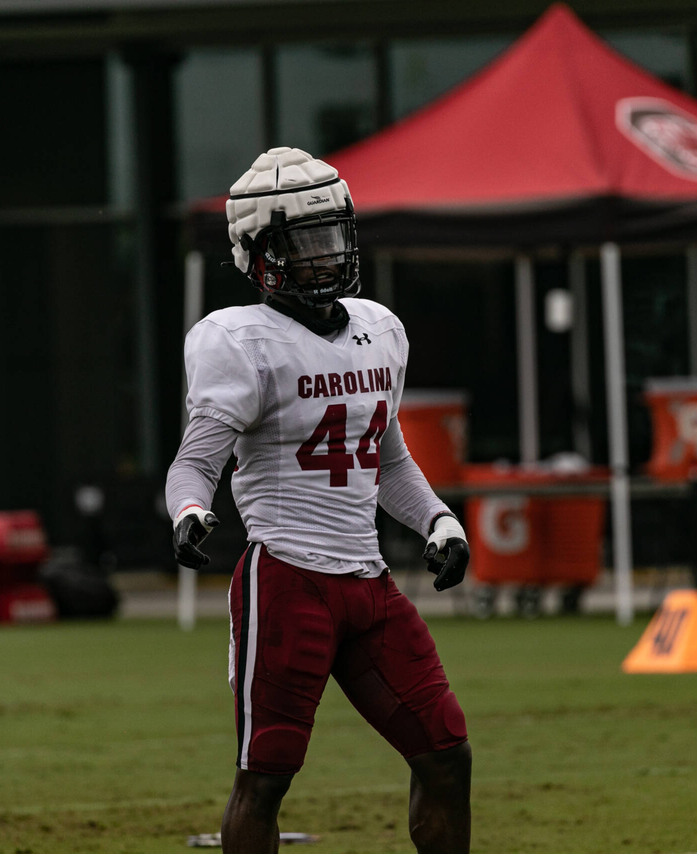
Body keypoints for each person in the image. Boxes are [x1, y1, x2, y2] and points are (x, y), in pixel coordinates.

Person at [166, 147, 473, 854]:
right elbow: (196, 460)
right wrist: (189, 510)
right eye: (304, 242)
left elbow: (386, 458)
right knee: (265, 777)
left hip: (368, 582)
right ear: (259, 255)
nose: (325, 255)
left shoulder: (378, 329)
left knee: (445, 750)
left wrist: (439, 520)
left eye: (333, 235)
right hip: (288, 580)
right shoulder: (240, 340)